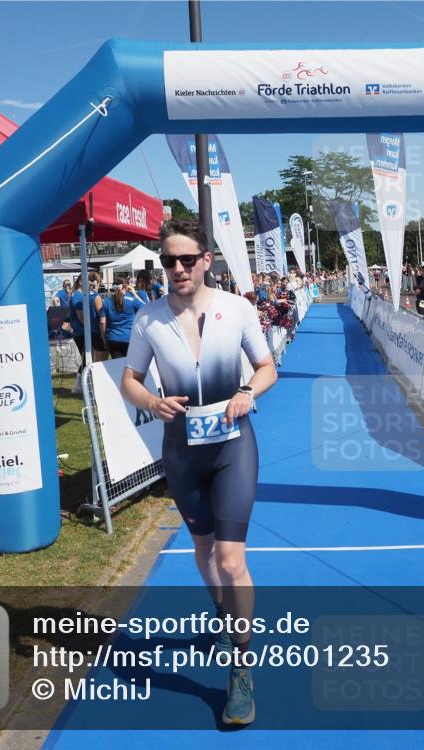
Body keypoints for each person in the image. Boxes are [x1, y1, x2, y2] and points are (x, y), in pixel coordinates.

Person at [120, 220, 277, 726]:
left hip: (233, 448)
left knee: (232, 560)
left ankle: (241, 665)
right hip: (182, 453)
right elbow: (130, 379)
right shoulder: (148, 319)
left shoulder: (237, 309)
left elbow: (267, 366)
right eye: (169, 261)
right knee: (205, 549)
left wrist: (248, 393)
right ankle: (225, 612)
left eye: (187, 259)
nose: (178, 269)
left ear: (207, 259)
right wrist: (150, 401)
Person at [100, 275, 144, 358]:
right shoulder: (132, 300)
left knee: (117, 367)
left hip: (113, 338)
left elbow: (102, 322)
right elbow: (147, 308)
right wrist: (135, 294)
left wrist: (104, 339)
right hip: (130, 338)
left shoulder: (106, 301)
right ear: (125, 286)